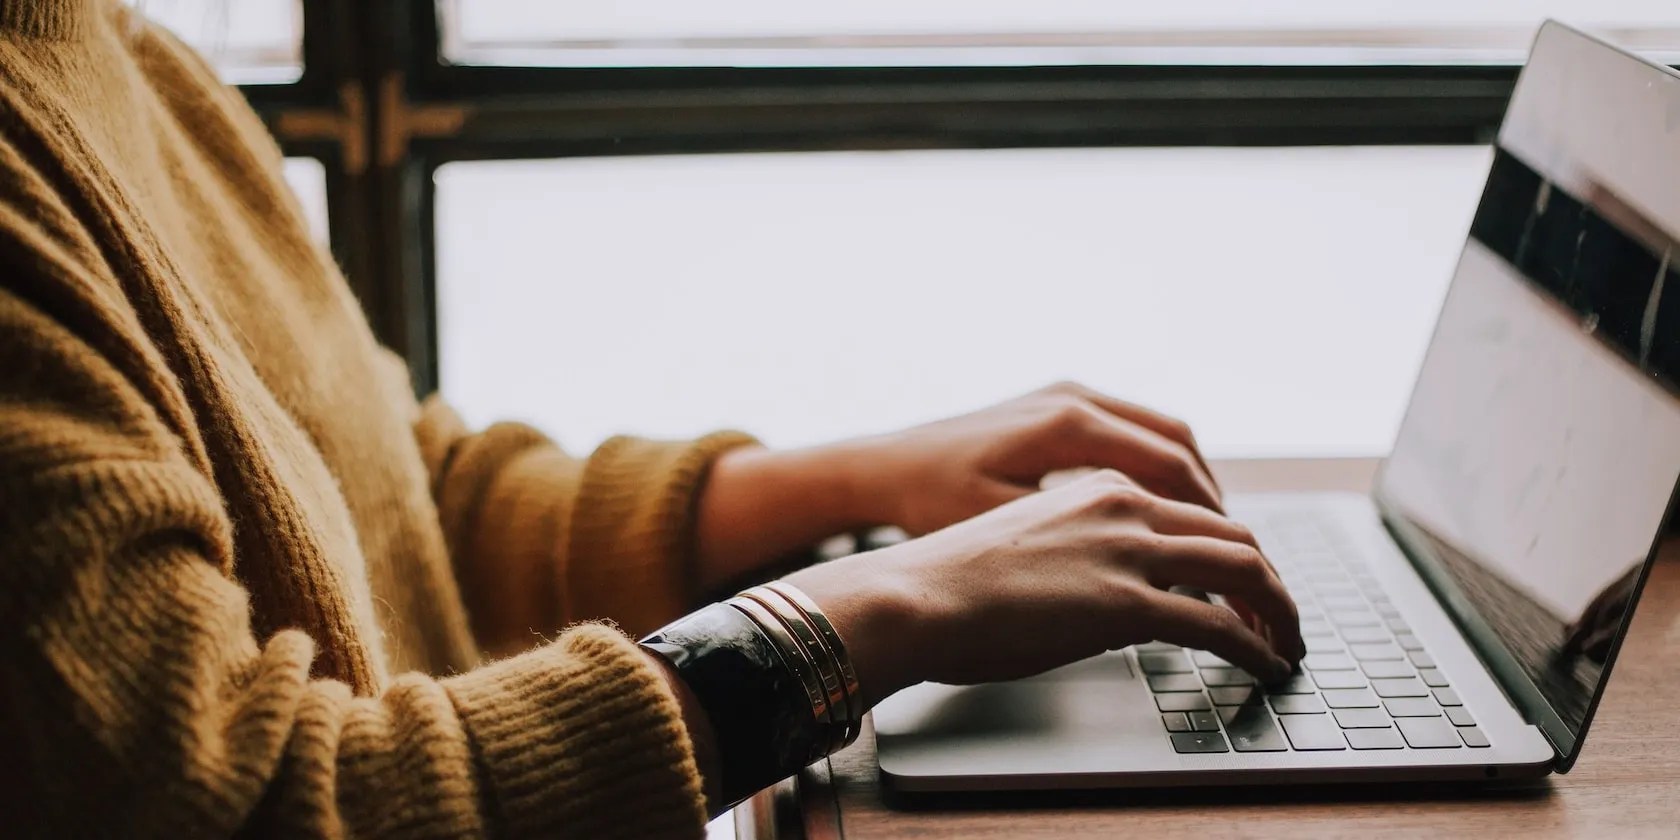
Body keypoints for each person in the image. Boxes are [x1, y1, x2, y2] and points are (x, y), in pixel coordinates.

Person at [0, 1, 1302, 836]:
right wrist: (863, 618)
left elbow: (404, 499)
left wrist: (857, 483)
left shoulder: (112, 46)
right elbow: (254, 807)